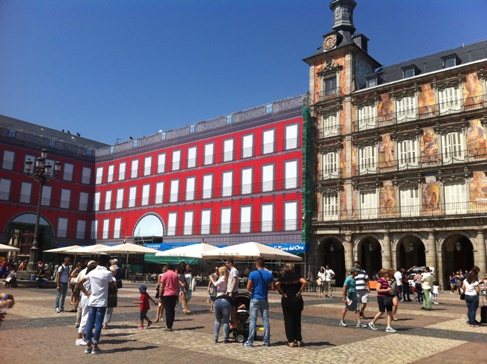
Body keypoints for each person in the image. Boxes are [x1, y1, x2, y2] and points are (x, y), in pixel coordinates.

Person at [78, 254, 115, 354]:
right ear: (107, 263)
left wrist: (86, 292)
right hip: (102, 301)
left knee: (90, 323)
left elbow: (80, 283)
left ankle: (88, 346)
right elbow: (112, 285)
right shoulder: (107, 273)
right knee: (98, 323)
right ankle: (95, 346)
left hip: (92, 300)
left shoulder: (92, 272)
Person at [243, 258, 274, 347]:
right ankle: (267, 341)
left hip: (255, 298)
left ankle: (250, 341)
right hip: (264, 298)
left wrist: (254, 289)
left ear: (257, 264)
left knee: (253, 320)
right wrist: (265, 289)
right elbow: (272, 288)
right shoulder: (269, 274)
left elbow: (248, 287)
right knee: (266, 320)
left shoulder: (253, 274)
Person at [275, 263, 307, 347]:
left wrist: (282, 293)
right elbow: (305, 282)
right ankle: (299, 339)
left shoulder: (283, 277)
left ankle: (291, 341)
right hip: (296, 299)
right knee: (297, 319)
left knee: (288, 319)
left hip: (287, 298)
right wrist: (300, 291)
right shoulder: (297, 276)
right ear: (293, 269)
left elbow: (276, 284)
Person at [75, 260, 97, 346]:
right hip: (87, 297)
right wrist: (86, 292)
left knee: (87, 317)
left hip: (86, 297)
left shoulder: (87, 274)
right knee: (85, 317)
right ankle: (79, 337)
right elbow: (79, 283)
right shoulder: (89, 275)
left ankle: (84, 336)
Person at [368, 268, 396, 333]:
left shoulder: (387, 280)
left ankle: (388, 326)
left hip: (388, 297)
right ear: (383, 274)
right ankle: (372, 322)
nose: (387, 274)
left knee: (389, 312)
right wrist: (387, 290)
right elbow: (378, 289)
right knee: (381, 311)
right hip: (381, 297)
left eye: (387, 273)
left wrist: (390, 289)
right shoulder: (380, 280)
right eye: (386, 273)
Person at [209, 266, 232, 343]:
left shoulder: (222, 278)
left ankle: (216, 337)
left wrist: (211, 278)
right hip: (225, 299)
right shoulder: (227, 279)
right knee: (225, 321)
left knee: (218, 320)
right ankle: (225, 338)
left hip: (219, 298)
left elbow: (215, 284)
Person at [159, 262, 179, 331]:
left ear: (167, 268)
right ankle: (171, 324)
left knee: (168, 310)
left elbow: (162, 286)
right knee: (172, 309)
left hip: (167, 294)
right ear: (173, 268)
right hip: (174, 294)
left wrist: (160, 295)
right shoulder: (176, 275)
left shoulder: (165, 275)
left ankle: (168, 325)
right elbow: (177, 286)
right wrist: (177, 297)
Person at [102, 259, 119, 329]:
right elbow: (113, 287)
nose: (116, 272)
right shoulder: (113, 279)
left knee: (104, 309)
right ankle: (105, 323)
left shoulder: (105, 276)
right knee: (108, 310)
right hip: (110, 296)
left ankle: (102, 322)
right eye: (115, 271)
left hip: (104, 294)